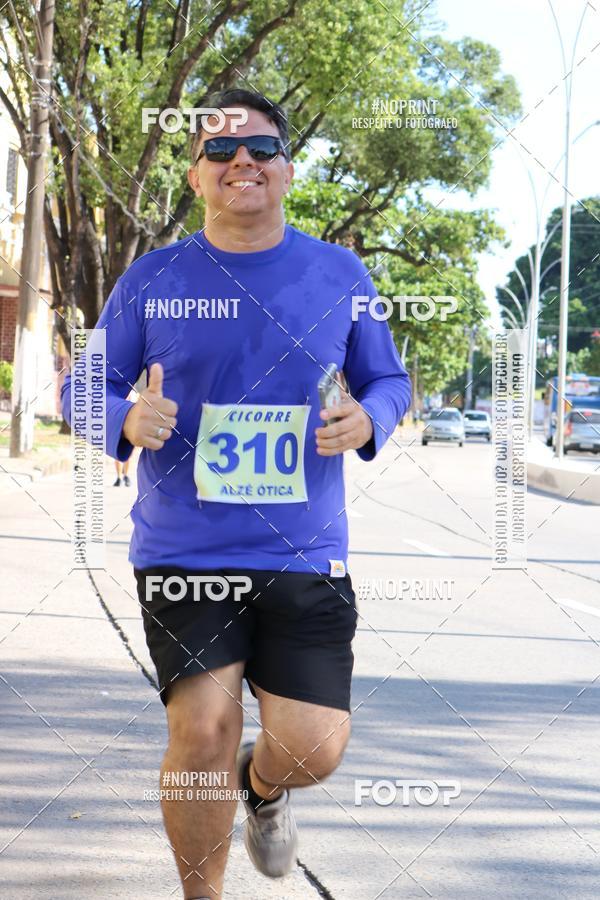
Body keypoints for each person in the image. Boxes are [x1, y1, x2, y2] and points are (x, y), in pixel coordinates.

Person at [61, 88, 411, 900]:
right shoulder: (155, 277)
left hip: (304, 550)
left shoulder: (338, 272)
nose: (241, 162)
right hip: (187, 549)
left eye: (258, 148)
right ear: (196, 177)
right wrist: (124, 415)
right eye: (219, 151)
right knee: (201, 733)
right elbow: (81, 386)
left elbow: (388, 378)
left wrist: (369, 416)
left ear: (286, 168)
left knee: (315, 747)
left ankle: (264, 788)